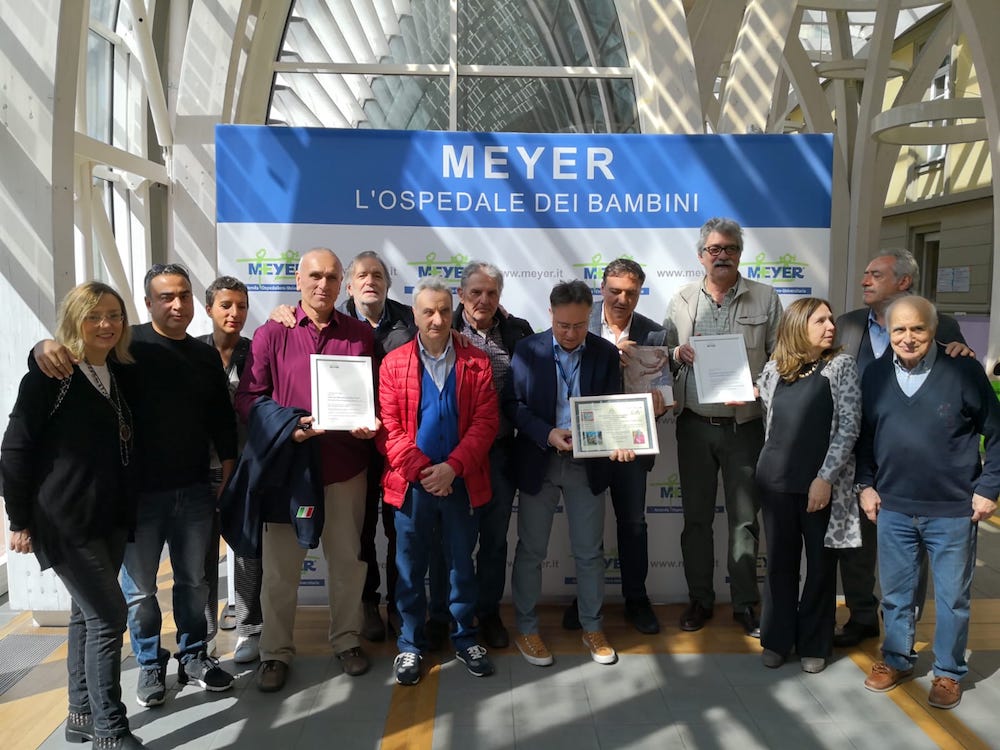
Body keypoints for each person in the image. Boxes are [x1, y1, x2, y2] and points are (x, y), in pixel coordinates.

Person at [34, 264, 239, 706]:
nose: (177, 304)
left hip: (195, 491)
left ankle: (194, 656)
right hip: (139, 497)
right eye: (165, 297)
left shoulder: (204, 356)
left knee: (193, 583)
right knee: (140, 591)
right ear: (147, 304)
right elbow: (74, 357)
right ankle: (149, 664)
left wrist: (226, 465)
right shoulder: (127, 350)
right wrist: (43, 345)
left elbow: (221, 419)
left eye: (183, 295)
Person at [3, 283, 146, 749]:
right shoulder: (51, 375)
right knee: (109, 616)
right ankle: (110, 728)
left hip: (106, 519)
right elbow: (15, 450)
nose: (106, 324)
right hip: (65, 523)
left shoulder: (115, 372)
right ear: (73, 319)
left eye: (114, 315)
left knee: (86, 617)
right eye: (94, 315)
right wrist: (18, 519)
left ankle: (81, 713)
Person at [234, 248, 377, 692]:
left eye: (332, 277)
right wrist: (289, 428)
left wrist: (369, 423)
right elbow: (248, 399)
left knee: (346, 562)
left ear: (344, 284)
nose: (323, 285)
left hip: (344, 466)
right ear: (298, 280)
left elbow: (370, 393)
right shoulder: (272, 333)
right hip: (289, 469)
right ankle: (275, 651)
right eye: (315, 276)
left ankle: (347, 640)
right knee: (280, 569)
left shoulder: (358, 334)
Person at [855, 295, 1000, 709]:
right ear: (889, 332)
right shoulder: (876, 374)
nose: (908, 337)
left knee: (953, 597)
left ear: (934, 331)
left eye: (918, 328)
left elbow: (997, 432)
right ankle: (897, 659)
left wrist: (988, 489)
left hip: (953, 509)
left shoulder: (963, 370)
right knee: (898, 594)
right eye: (899, 329)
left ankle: (949, 672)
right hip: (894, 507)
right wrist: (866, 484)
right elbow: (865, 439)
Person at [271, 250, 414, 643]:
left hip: (384, 449)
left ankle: (393, 613)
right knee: (355, 538)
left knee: (388, 536)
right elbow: (258, 396)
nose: (370, 281)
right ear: (349, 286)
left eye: (378, 275)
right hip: (327, 456)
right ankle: (362, 608)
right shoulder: (301, 326)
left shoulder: (409, 321)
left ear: (387, 282)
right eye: (361, 275)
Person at [832, 249, 971, 648]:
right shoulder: (847, 325)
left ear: (904, 281)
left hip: (914, 464)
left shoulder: (942, 325)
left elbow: (955, 378)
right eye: (864, 273)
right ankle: (861, 615)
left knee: (912, 554)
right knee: (856, 542)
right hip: (856, 454)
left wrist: (962, 352)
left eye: (875, 274)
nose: (865, 281)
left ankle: (904, 634)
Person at [504, 280, 635, 667]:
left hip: (587, 464)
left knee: (590, 552)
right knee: (531, 550)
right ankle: (527, 629)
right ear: (551, 315)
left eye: (578, 326)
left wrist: (620, 440)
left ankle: (592, 626)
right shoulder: (528, 350)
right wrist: (546, 433)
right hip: (539, 460)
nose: (570, 333)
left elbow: (613, 407)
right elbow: (513, 404)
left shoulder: (605, 353)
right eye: (563, 325)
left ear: (588, 318)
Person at [378, 278, 500, 685]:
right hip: (412, 487)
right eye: (428, 311)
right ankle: (410, 645)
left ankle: (465, 638)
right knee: (410, 568)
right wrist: (426, 473)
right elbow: (390, 431)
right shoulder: (393, 363)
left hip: (461, 480)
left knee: (461, 565)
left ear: (454, 312)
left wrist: (453, 468)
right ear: (414, 314)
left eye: (445, 311)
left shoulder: (476, 360)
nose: (437, 319)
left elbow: (486, 423)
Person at [666, 217, 781, 637]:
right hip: (694, 425)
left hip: (744, 427)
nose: (722, 255)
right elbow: (665, 357)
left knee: (744, 521)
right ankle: (700, 599)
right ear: (701, 256)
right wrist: (677, 352)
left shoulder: (766, 299)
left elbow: (781, 361)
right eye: (714, 249)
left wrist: (757, 386)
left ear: (739, 254)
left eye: (730, 248)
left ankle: (746, 603)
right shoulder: (680, 300)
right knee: (695, 518)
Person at [424, 261, 533, 651]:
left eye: (491, 293)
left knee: (494, 541)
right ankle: (441, 616)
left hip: (500, 455)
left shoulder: (519, 333)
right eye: (475, 292)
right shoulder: (438, 328)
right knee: (445, 543)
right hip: (450, 458)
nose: (483, 300)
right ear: (460, 295)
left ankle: (487, 614)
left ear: (500, 296)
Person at [756, 298, 862, 674]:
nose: (830, 326)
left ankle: (815, 642)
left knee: (820, 566)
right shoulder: (773, 370)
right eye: (820, 320)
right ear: (798, 326)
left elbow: (849, 425)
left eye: (831, 319)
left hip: (819, 486)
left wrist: (824, 478)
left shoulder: (840, 366)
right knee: (780, 566)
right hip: (775, 482)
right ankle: (776, 639)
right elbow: (770, 420)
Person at [565, 257, 668, 635]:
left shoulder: (655, 334)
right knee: (585, 527)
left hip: (632, 447)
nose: (622, 299)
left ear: (640, 293)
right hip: (588, 442)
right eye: (615, 291)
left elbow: (665, 396)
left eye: (631, 292)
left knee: (633, 525)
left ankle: (636, 599)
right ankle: (585, 599)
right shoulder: (579, 324)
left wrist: (659, 400)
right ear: (601, 289)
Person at [200, 276, 261, 664]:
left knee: (246, 554)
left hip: (244, 467)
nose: (234, 313)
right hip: (196, 471)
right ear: (209, 309)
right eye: (226, 305)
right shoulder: (190, 354)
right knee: (199, 558)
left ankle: (249, 630)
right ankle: (202, 635)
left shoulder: (255, 353)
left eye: (240, 305)